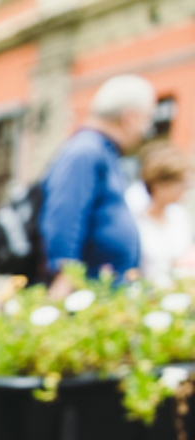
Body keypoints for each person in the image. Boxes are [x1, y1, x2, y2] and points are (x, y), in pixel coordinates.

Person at [39, 74, 157, 290]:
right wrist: (64, 278)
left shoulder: (105, 152)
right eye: (147, 118)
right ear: (130, 118)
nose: (147, 130)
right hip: (86, 292)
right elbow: (65, 215)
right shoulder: (86, 150)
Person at [132, 142, 193, 282]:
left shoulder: (179, 216)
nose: (184, 192)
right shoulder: (135, 217)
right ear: (159, 185)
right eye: (181, 186)